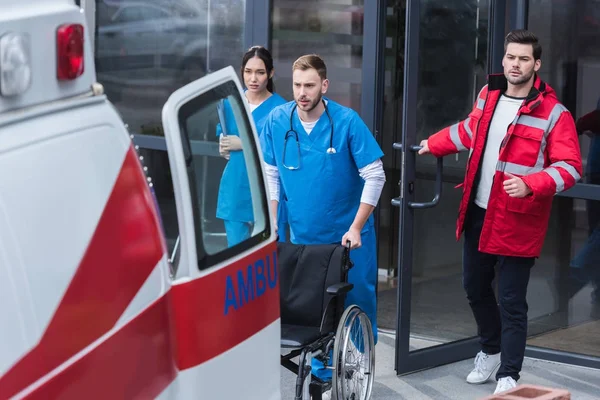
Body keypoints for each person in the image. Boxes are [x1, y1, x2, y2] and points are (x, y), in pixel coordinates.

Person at [418, 30, 582, 394]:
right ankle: (490, 350)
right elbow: (470, 132)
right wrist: (435, 143)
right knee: (474, 287)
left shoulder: (554, 113)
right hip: (479, 210)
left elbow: (571, 167)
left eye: (523, 59)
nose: (515, 64)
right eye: (510, 57)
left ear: (536, 65)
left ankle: (509, 373)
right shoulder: (488, 95)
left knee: (510, 300)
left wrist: (531, 184)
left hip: (518, 220)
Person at [260, 54, 386, 385]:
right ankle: (322, 375)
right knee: (315, 309)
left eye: (310, 85)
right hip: (305, 235)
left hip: (349, 236)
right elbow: (271, 173)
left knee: (357, 300)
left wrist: (356, 226)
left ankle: (358, 372)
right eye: (297, 85)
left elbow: (375, 175)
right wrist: (273, 219)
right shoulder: (277, 120)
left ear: (324, 86)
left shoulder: (346, 122)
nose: (302, 92)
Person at [216, 46, 287, 247]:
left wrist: (245, 143)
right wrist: (222, 143)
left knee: (265, 257)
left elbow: (281, 151)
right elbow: (222, 131)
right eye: (248, 72)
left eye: (260, 72)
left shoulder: (281, 110)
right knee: (236, 257)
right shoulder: (231, 102)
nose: (253, 78)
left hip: (265, 190)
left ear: (271, 73)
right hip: (235, 187)